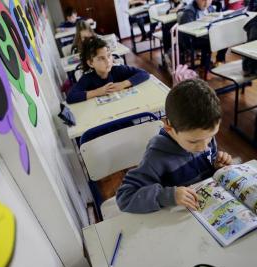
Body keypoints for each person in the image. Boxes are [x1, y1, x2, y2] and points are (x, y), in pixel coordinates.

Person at [116, 79, 233, 213]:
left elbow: (206, 169)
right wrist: (168, 196)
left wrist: (216, 166)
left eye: (211, 136)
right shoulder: (156, 156)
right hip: (175, 217)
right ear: (169, 128)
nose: (204, 147)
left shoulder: (202, 136)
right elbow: (124, 196)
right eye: (193, 142)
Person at [66, 37, 150, 104]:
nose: (108, 61)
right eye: (101, 58)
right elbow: (70, 97)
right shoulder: (87, 79)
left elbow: (144, 73)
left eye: (109, 55)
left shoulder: (118, 70)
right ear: (91, 63)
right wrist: (97, 92)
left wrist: (123, 84)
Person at [180, 0, 227, 69]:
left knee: (225, 37)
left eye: (209, 0)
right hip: (191, 40)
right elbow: (188, 32)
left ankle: (219, 60)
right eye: (203, 0)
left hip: (205, 35)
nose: (206, 3)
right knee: (209, 42)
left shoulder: (210, 8)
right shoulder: (189, 11)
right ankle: (204, 67)